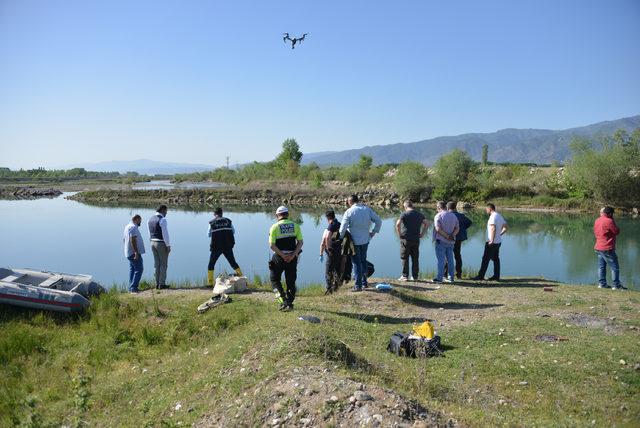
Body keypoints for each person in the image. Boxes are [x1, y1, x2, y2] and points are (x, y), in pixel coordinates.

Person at [339, 194, 382, 292]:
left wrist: (340, 238)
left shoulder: (349, 212)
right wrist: (374, 232)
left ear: (350, 202)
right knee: (363, 260)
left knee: (356, 263)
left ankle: (358, 286)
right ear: (357, 200)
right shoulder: (367, 209)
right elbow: (378, 221)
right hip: (365, 239)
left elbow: (342, 228)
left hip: (353, 241)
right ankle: (364, 282)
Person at [269, 206, 304, 311]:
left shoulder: (274, 227)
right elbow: (300, 242)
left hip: (279, 258)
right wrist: (293, 255)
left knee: (274, 280)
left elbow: (272, 245)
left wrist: (283, 255)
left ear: (277, 216)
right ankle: (289, 302)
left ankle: (282, 301)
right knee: (291, 281)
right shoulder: (296, 226)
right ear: (288, 215)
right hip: (292, 258)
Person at [207, 207, 243, 286]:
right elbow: (233, 231)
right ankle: (242, 278)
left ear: (214, 214)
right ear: (222, 213)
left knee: (211, 264)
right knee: (233, 263)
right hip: (227, 246)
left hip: (216, 247)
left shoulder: (211, 223)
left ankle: (210, 283)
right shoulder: (228, 221)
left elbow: (208, 234)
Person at [472, 203, 508, 281]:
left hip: (492, 242)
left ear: (490, 209)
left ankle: (480, 276)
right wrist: (499, 234)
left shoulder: (492, 217)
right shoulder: (499, 216)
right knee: (496, 259)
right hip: (498, 242)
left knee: (485, 259)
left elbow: (493, 228)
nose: (486, 211)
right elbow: (505, 227)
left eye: (486, 209)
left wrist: (491, 239)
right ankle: (496, 276)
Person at [395, 200, 429, 281]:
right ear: (412, 206)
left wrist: (399, 234)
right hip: (416, 239)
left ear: (405, 206)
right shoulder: (419, 214)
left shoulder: (404, 214)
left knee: (404, 257)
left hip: (406, 239)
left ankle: (405, 276)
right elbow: (427, 223)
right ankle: (415, 277)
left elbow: (397, 224)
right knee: (415, 258)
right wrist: (422, 234)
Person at [593, 206, 625, 290]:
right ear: (610, 213)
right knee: (615, 267)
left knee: (601, 267)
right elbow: (616, 231)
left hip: (598, 247)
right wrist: (613, 221)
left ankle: (602, 284)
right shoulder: (609, 221)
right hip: (607, 247)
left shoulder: (597, 220)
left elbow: (595, 232)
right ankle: (616, 285)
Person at [444, 201, 473, 279]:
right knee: (457, 255)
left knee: (447, 256)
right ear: (455, 207)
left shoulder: (447, 215)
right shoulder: (461, 215)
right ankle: (459, 274)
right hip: (459, 238)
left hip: (449, 238)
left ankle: (445, 274)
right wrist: (462, 229)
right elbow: (469, 222)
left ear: (447, 208)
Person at [432, 201, 459, 284]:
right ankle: (451, 278)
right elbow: (457, 228)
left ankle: (439, 278)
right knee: (450, 260)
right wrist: (451, 236)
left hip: (441, 241)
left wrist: (446, 236)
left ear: (439, 207)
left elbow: (437, 228)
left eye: (437, 207)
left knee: (441, 260)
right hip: (451, 242)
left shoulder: (438, 215)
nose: (437, 209)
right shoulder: (453, 215)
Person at [319, 210, 344, 293]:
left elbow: (325, 240)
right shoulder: (339, 224)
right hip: (339, 250)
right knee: (337, 269)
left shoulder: (330, 227)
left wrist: (324, 251)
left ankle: (329, 289)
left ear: (328, 217)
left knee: (328, 270)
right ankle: (336, 287)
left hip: (332, 251)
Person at [148, 205, 171, 289]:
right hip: (161, 243)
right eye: (166, 211)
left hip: (152, 242)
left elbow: (149, 232)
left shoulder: (150, 219)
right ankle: (162, 284)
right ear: (162, 210)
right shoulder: (162, 220)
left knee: (157, 264)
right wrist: (168, 246)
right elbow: (165, 234)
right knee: (163, 264)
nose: (166, 213)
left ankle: (157, 283)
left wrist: (151, 241)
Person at [123, 214, 145, 293]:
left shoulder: (127, 226)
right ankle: (133, 288)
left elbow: (124, 239)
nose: (140, 223)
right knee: (139, 269)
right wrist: (136, 252)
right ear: (136, 219)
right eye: (140, 220)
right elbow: (132, 240)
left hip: (128, 252)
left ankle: (131, 287)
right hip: (133, 253)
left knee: (133, 269)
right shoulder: (133, 227)